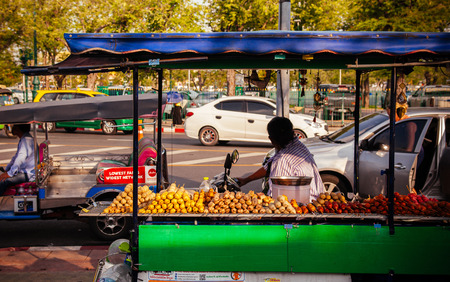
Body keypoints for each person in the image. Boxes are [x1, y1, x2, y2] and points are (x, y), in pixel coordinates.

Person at [236, 117, 324, 201]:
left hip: (303, 208)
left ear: (271, 140)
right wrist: (246, 180)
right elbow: (269, 166)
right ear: (293, 132)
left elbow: (276, 197)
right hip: (316, 198)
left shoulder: (283, 160)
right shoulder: (298, 145)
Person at [0, 124, 35, 196]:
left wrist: (10, 173)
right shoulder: (24, 138)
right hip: (23, 171)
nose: (12, 128)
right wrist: (7, 169)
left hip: (27, 174)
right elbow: (15, 157)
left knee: (2, 181)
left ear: (18, 129)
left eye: (14, 126)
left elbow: (20, 159)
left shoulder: (26, 140)